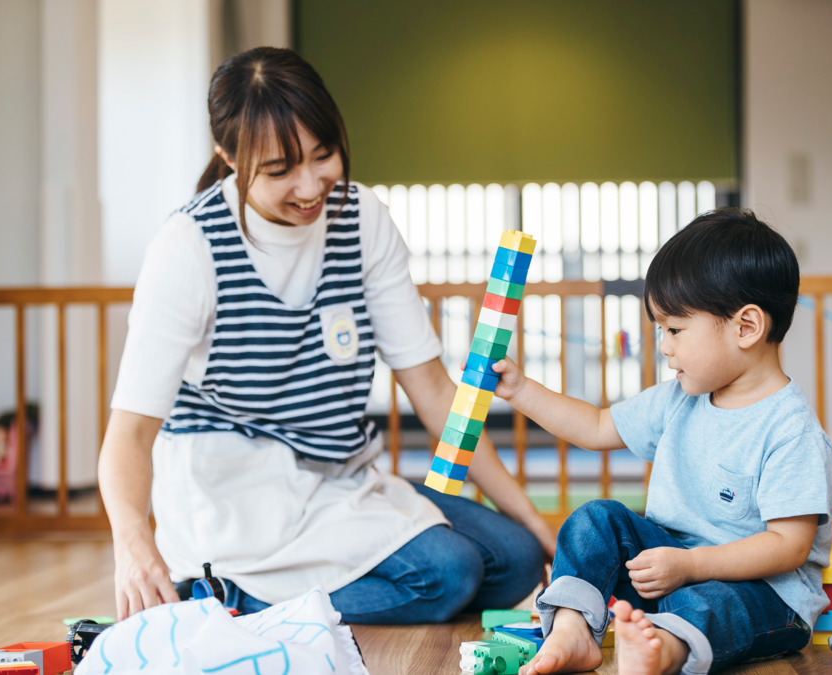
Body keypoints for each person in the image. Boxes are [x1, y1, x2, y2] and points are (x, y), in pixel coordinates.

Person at [98, 46, 555, 624]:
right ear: (228, 156)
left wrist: (530, 517)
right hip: (238, 498)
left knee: (514, 558)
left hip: (342, 479)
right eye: (279, 169)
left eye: (324, 155)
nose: (312, 186)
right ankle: (232, 596)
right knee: (450, 573)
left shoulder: (361, 219)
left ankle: (343, 581)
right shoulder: (189, 247)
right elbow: (131, 433)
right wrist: (133, 543)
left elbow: (435, 391)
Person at [491, 208, 832, 675]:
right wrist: (521, 390)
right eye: (661, 330)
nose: (664, 346)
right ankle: (574, 628)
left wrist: (693, 565)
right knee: (597, 519)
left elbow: (788, 546)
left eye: (675, 329)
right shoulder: (679, 399)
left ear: (746, 327)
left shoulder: (789, 429)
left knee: (715, 604)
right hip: (670, 570)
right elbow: (596, 426)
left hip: (765, 595)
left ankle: (665, 651)